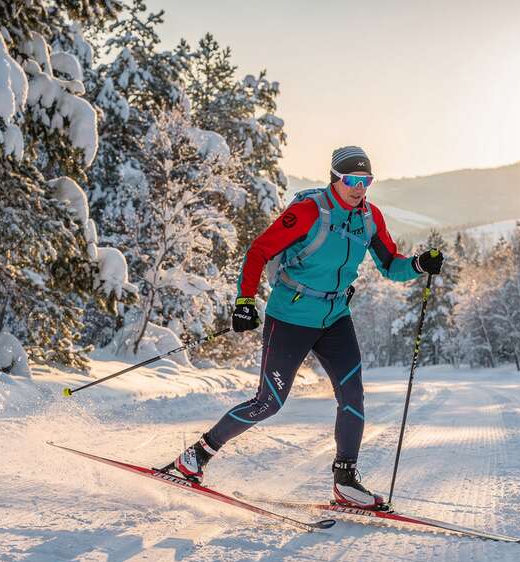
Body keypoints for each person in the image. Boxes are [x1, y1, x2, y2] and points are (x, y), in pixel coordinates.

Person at [163, 146, 443, 510]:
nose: (359, 188)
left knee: (353, 396)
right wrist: (245, 301)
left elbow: (390, 265)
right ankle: (195, 457)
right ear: (335, 178)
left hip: (335, 317)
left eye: (366, 181)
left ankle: (345, 481)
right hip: (290, 318)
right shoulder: (309, 212)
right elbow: (259, 251)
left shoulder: (370, 218)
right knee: (269, 402)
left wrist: (418, 264)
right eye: (351, 180)